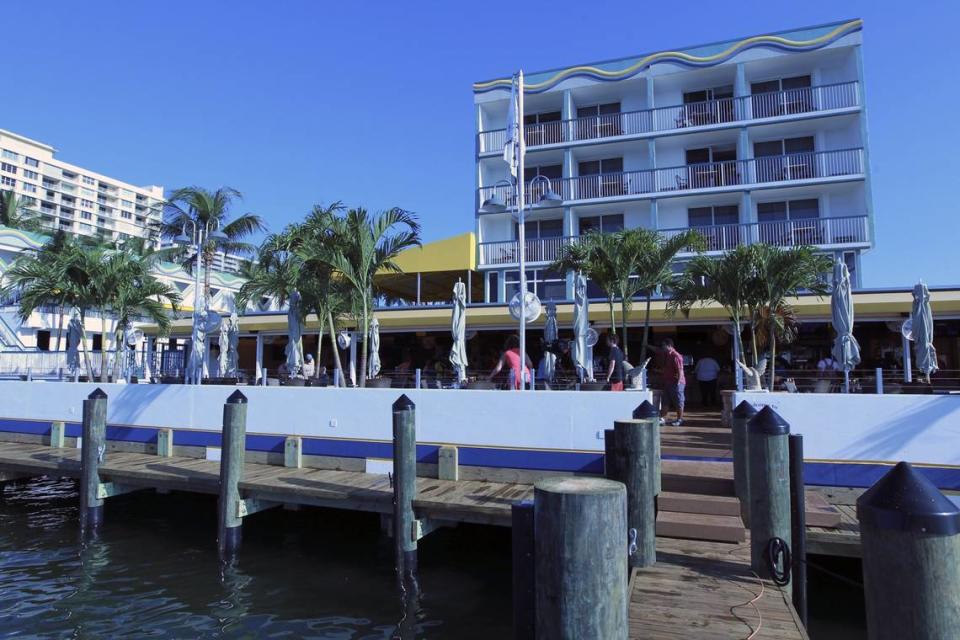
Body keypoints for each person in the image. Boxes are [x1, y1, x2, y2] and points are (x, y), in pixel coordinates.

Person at [659, 338, 686, 426]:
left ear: (669, 346)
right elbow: (657, 350)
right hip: (668, 382)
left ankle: (680, 419)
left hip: (676, 383)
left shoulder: (676, 356)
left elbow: (680, 370)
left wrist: (678, 382)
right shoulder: (667, 354)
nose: (662, 347)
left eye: (664, 345)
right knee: (665, 400)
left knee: (678, 401)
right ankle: (662, 418)